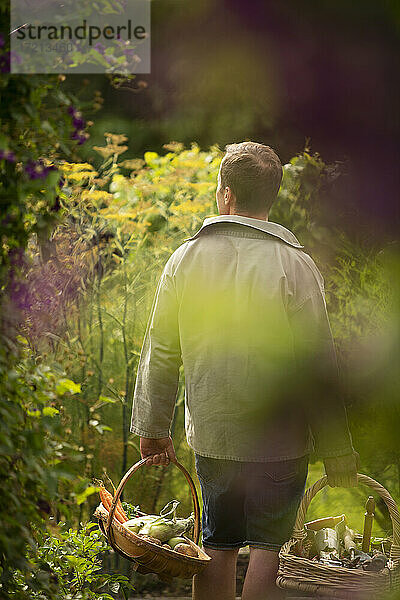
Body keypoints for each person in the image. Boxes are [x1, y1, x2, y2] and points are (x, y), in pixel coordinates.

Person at [130, 141, 359, 600]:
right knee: (269, 548)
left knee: (216, 542)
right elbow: (318, 363)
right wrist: (337, 448)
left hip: (215, 433)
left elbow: (161, 348)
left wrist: (153, 427)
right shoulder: (296, 264)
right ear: (271, 197)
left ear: (226, 194)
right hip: (282, 438)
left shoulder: (184, 259)